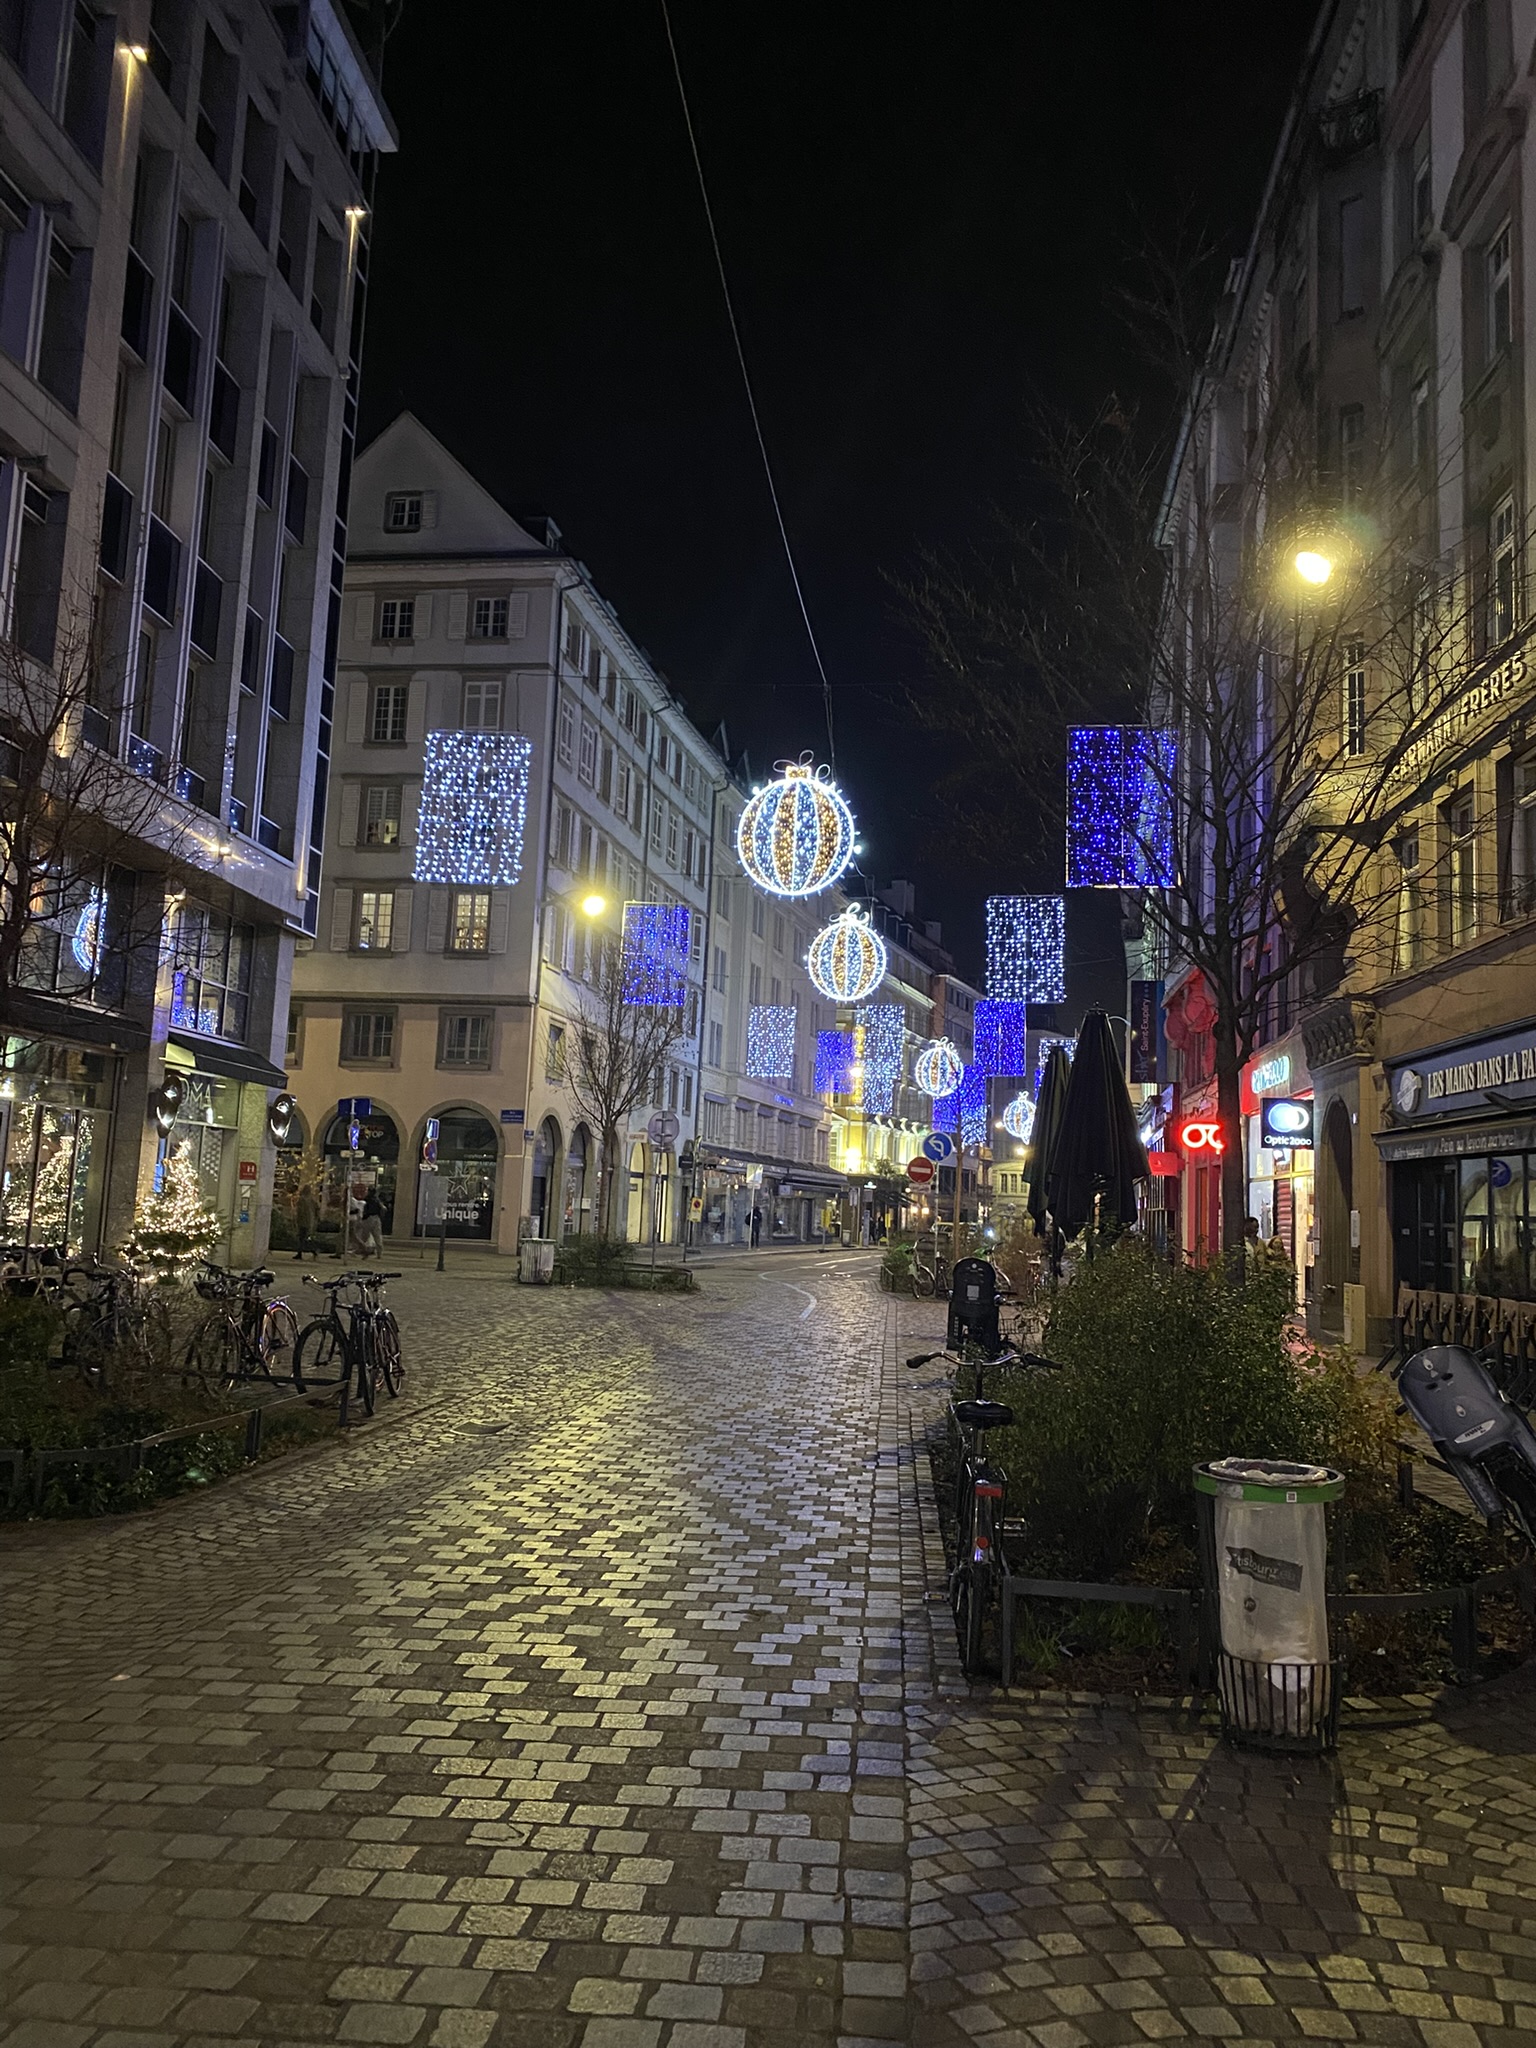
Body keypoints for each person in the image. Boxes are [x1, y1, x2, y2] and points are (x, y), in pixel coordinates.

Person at [293, 1179, 320, 1261]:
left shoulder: (302, 1199)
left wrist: (296, 1219)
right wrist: (316, 1217)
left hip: (303, 1220)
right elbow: (317, 1208)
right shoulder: (312, 1199)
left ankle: (309, 1251)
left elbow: (300, 1211)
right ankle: (303, 1252)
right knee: (304, 1237)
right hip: (310, 1220)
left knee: (302, 1237)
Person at [357, 1186, 384, 1259]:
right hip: (376, 1218)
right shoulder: (377, 1200)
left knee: (364, 1236)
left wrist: (363, 1218)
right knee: (377, 1236)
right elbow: (383, 1208)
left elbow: (364, 1209)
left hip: (368, 1218)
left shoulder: (368, 1199)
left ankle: (364, 1252)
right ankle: (379, 1254)